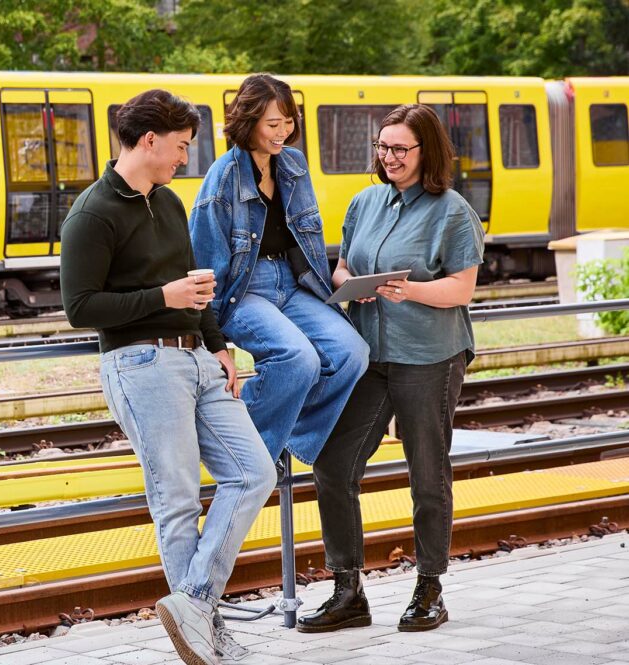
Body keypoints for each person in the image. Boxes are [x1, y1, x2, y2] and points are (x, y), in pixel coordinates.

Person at [61, 89, 274, 665]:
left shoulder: (171, 203)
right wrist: (164, 296)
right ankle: (201, 629)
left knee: (255, 473)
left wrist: (217, 343)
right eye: (180, 146)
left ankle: (193, 605)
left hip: (199, 360)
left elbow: (191, 280)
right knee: (177, 499)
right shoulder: (92, 213)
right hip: (140, 363)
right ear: (149, 140)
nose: (185, 158)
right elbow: (80, 309)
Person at [297, 104, 484, 634]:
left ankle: (430, 587)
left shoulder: (452, 211)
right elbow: (344, 263)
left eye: (401, 148)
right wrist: (346, 279)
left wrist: (410, 291)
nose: (389, 157)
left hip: (430, 356)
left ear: (427, 150)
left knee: (427, 475)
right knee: (334, 465)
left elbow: (462, 289)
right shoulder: (364, 202)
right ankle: (348, 590)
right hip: (371, 356)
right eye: (382, 147)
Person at [189, 74, 369, 466]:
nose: (283, 132)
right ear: (248, 122)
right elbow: (203, 259)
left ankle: (284, 436)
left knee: (352, 352)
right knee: (297, 358)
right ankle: (240, 448)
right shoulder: (223, 177)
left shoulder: (294, 164)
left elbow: (308, 241)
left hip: (295, 283)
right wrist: (213, 335)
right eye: (273, 124)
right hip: (244, 290)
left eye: (289, 121)